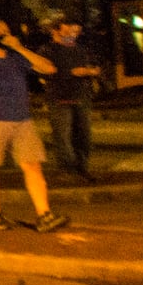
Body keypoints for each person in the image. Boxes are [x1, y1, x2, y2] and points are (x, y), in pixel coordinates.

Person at [0, 19, 68, 232]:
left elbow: (48, 68)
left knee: (32, 165)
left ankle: (44, 214)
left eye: (5, 30)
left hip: (21, 120)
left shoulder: (17, 58)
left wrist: (19, 47)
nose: (2, 34)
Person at [39, 14, 101, 182]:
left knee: (84, 135)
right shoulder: (48, 50)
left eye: (75, 32)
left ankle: (82, 168)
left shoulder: (81, 49)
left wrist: (89, 72)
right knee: (63, 136)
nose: (73, 35)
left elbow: (94, 68)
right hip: (59, 98)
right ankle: (68, 170)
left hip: (81, 97)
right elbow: (47, 71)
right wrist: (74, 72)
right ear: (56, 31)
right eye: (68, 31)